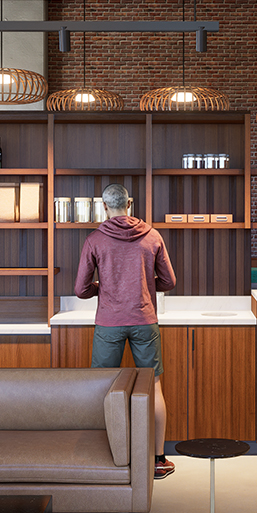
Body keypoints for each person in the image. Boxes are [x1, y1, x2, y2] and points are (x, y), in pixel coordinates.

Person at [74, 184, 178, 479]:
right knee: (154, 387)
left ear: (104, 207)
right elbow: (169, 281)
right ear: (129, 203)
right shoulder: (152, 236)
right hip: (144, 319)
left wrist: (101, 287)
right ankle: (159, 460)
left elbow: (80, 289)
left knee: (103, 386)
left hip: (109, 323)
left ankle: (103, 456)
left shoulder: (95, 239)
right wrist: (143, 284)